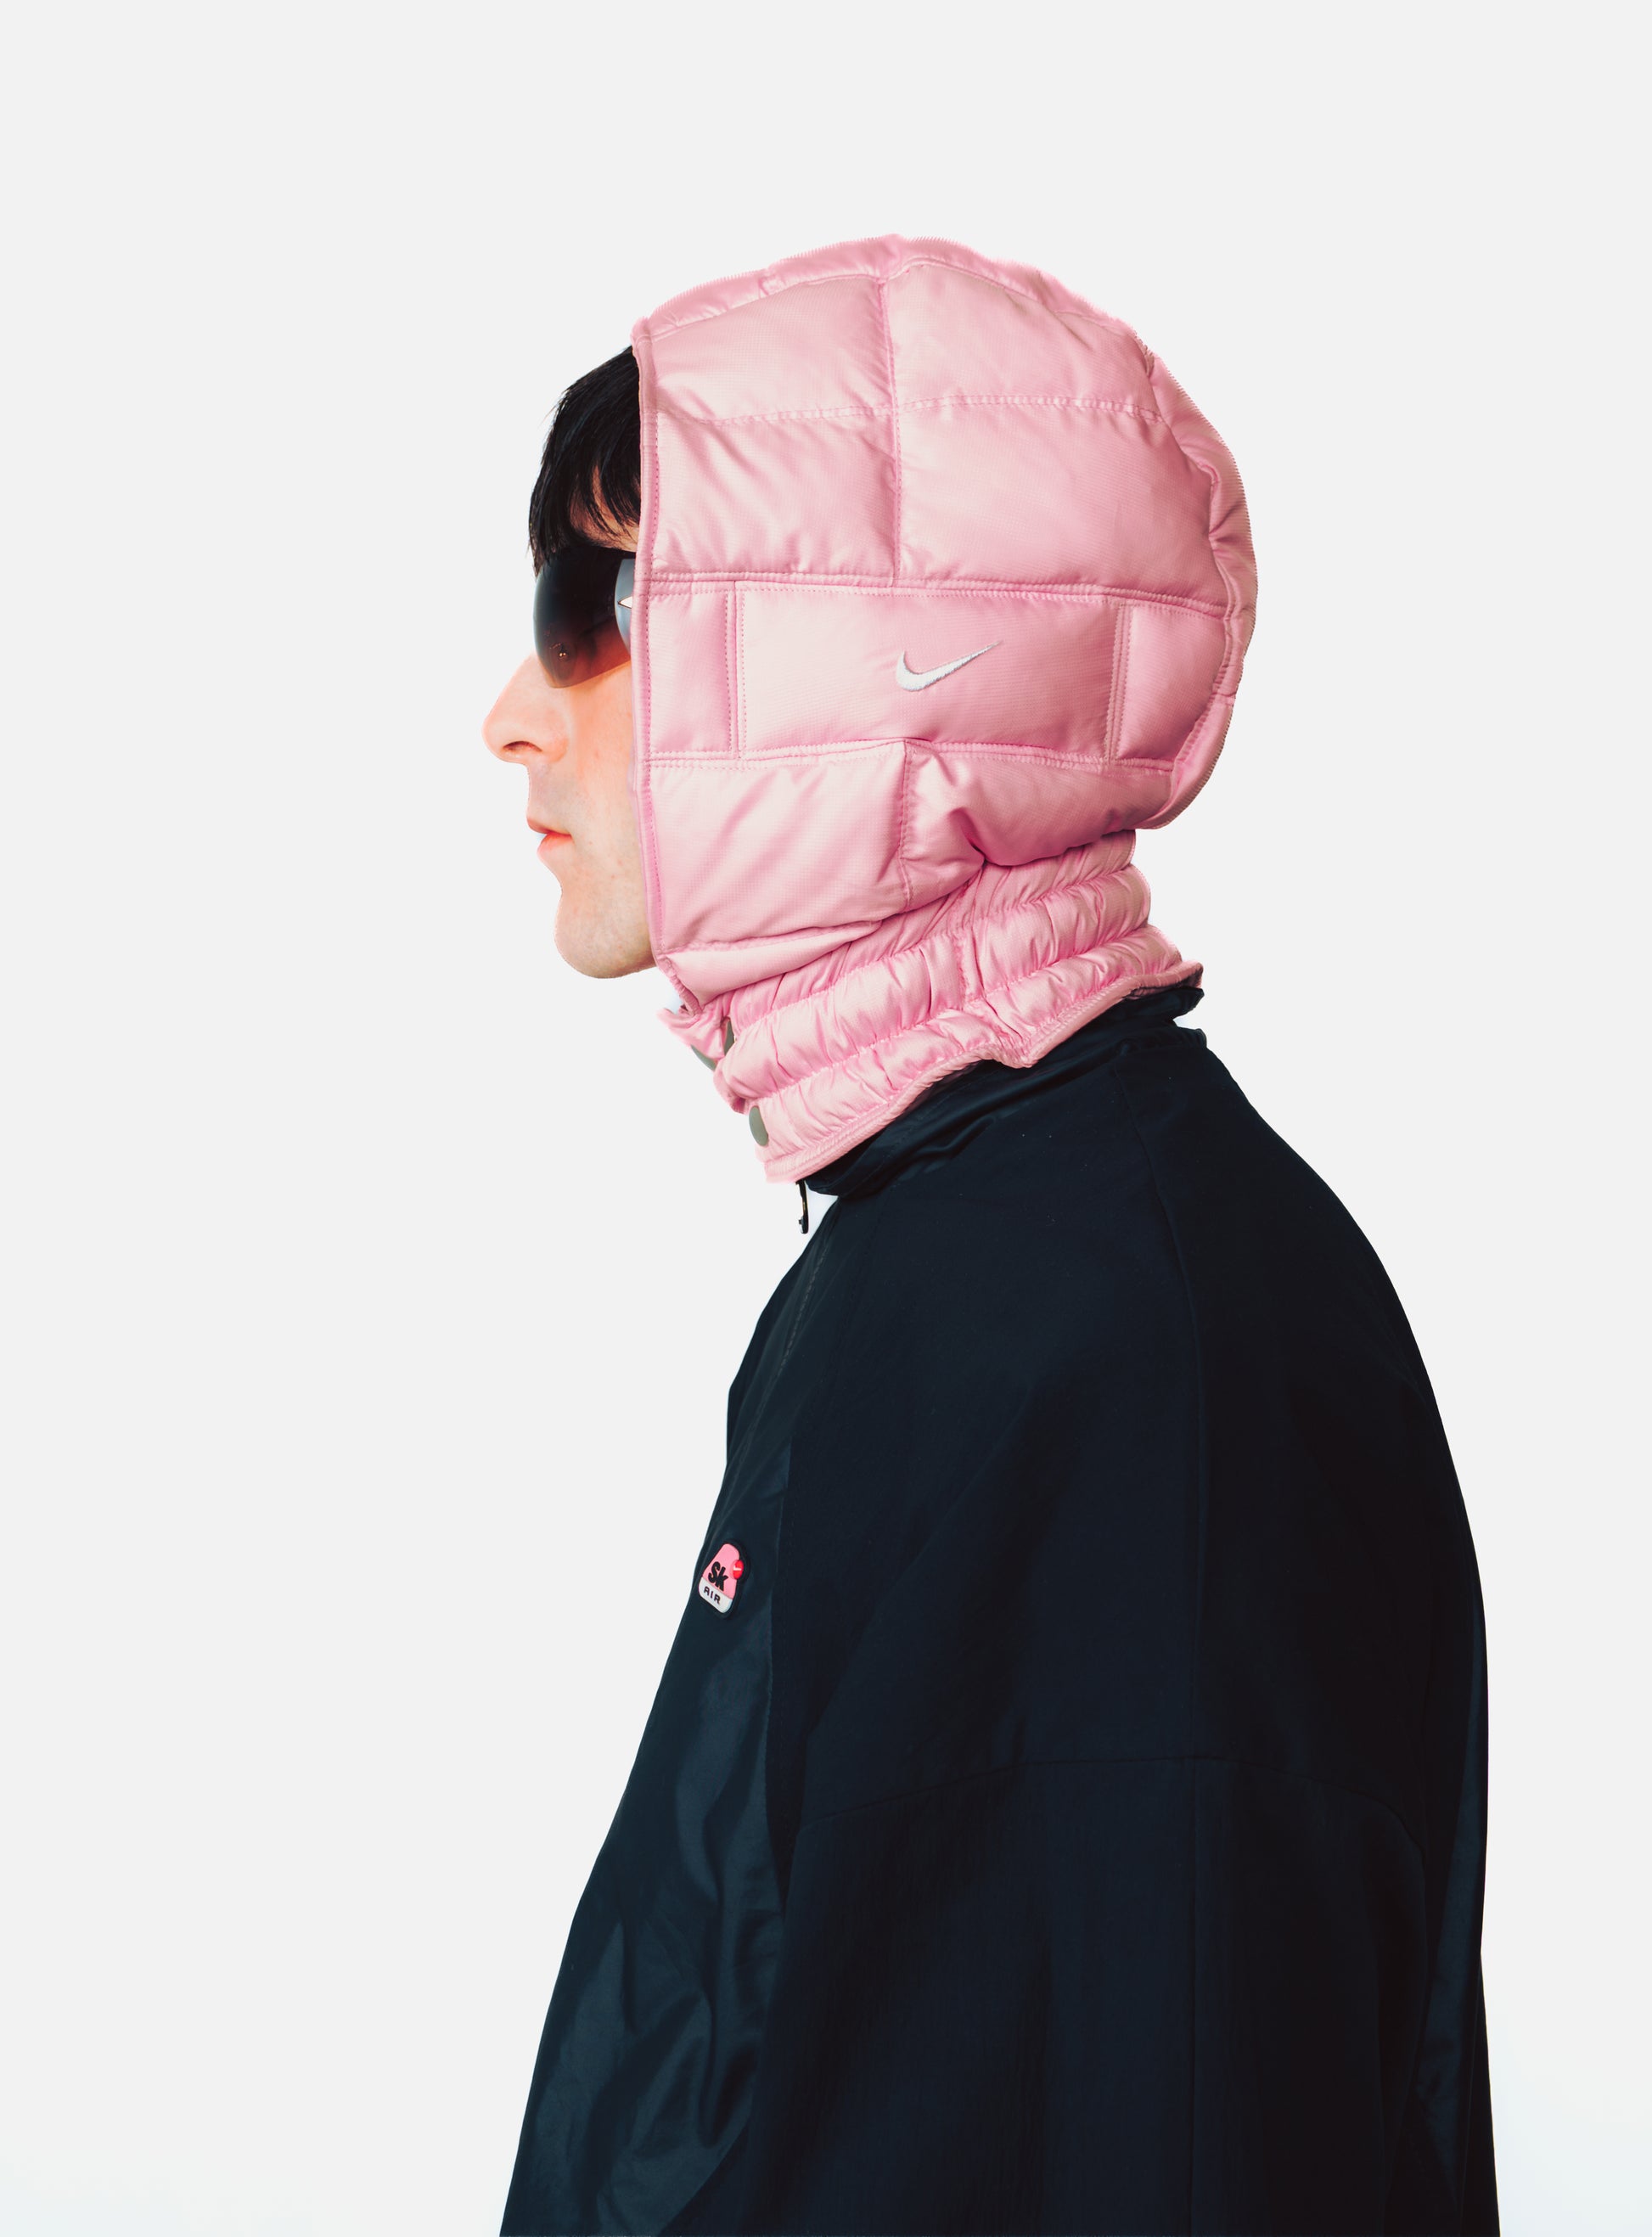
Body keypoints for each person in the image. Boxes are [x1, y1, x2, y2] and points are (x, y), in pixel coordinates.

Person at [483, 234, 1497, 2236]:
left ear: (866, 674)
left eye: (595, 612)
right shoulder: (963, 1251)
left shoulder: (1101, 1334)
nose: (514, 712)